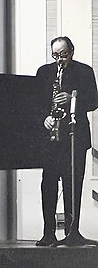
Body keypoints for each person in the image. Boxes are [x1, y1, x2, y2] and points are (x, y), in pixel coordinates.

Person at [35, 36, 98, 246]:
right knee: (48, 184)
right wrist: (44, 117)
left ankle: (73, 232)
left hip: (75, 137)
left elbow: (93, 101)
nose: (59, 60)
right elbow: (34, 103)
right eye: (55, 55)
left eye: (63, 55)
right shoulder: (44, 72)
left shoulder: (84, 71)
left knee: (73, 185)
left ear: (72, 51)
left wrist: (72, 98)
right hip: (52, 138)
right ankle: (48, 234)